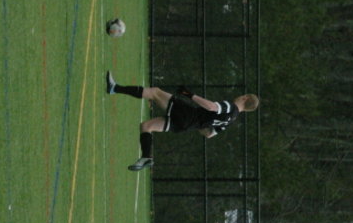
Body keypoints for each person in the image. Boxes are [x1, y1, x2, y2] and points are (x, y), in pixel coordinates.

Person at [106, 71, 259, 171]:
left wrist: (189, 94)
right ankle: (147, 157)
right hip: (187, 125)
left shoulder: (230, 107)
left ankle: (115, 88)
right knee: (146, 126)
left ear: (245, 98)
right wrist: (198, 122)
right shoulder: (231, 120)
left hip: (187, 115)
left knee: (155, 92)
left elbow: (212, 107)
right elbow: (209, 134)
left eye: (243, 96)